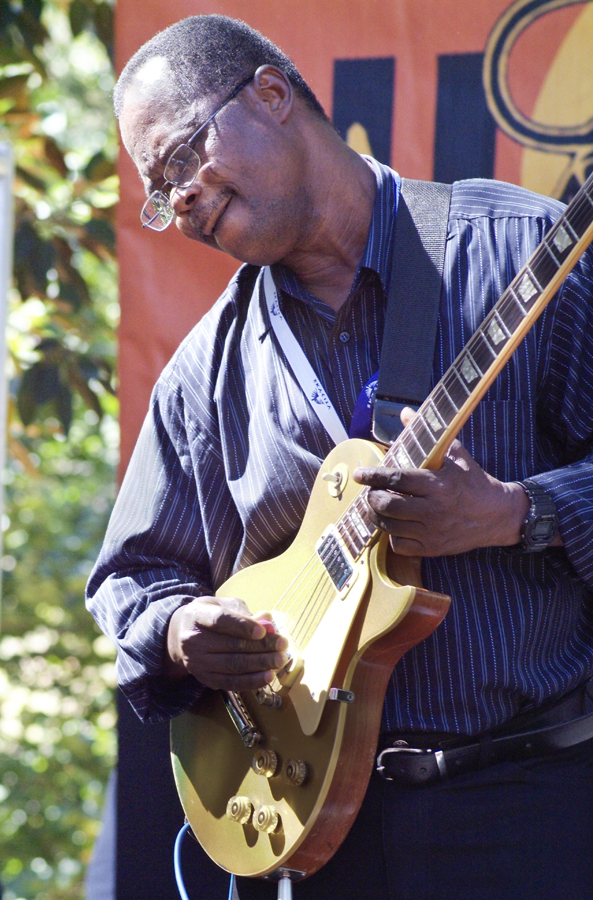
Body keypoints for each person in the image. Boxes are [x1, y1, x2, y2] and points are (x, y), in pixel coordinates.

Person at [86, 14, 593, 900]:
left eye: (181, 163)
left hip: (540, 808)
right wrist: (178, 631)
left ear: (272, 95)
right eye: (160, 196)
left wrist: (515, 512)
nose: (182, 205)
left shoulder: (520, 251)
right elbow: (131, 577)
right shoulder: (204, 375)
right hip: (327, 839)